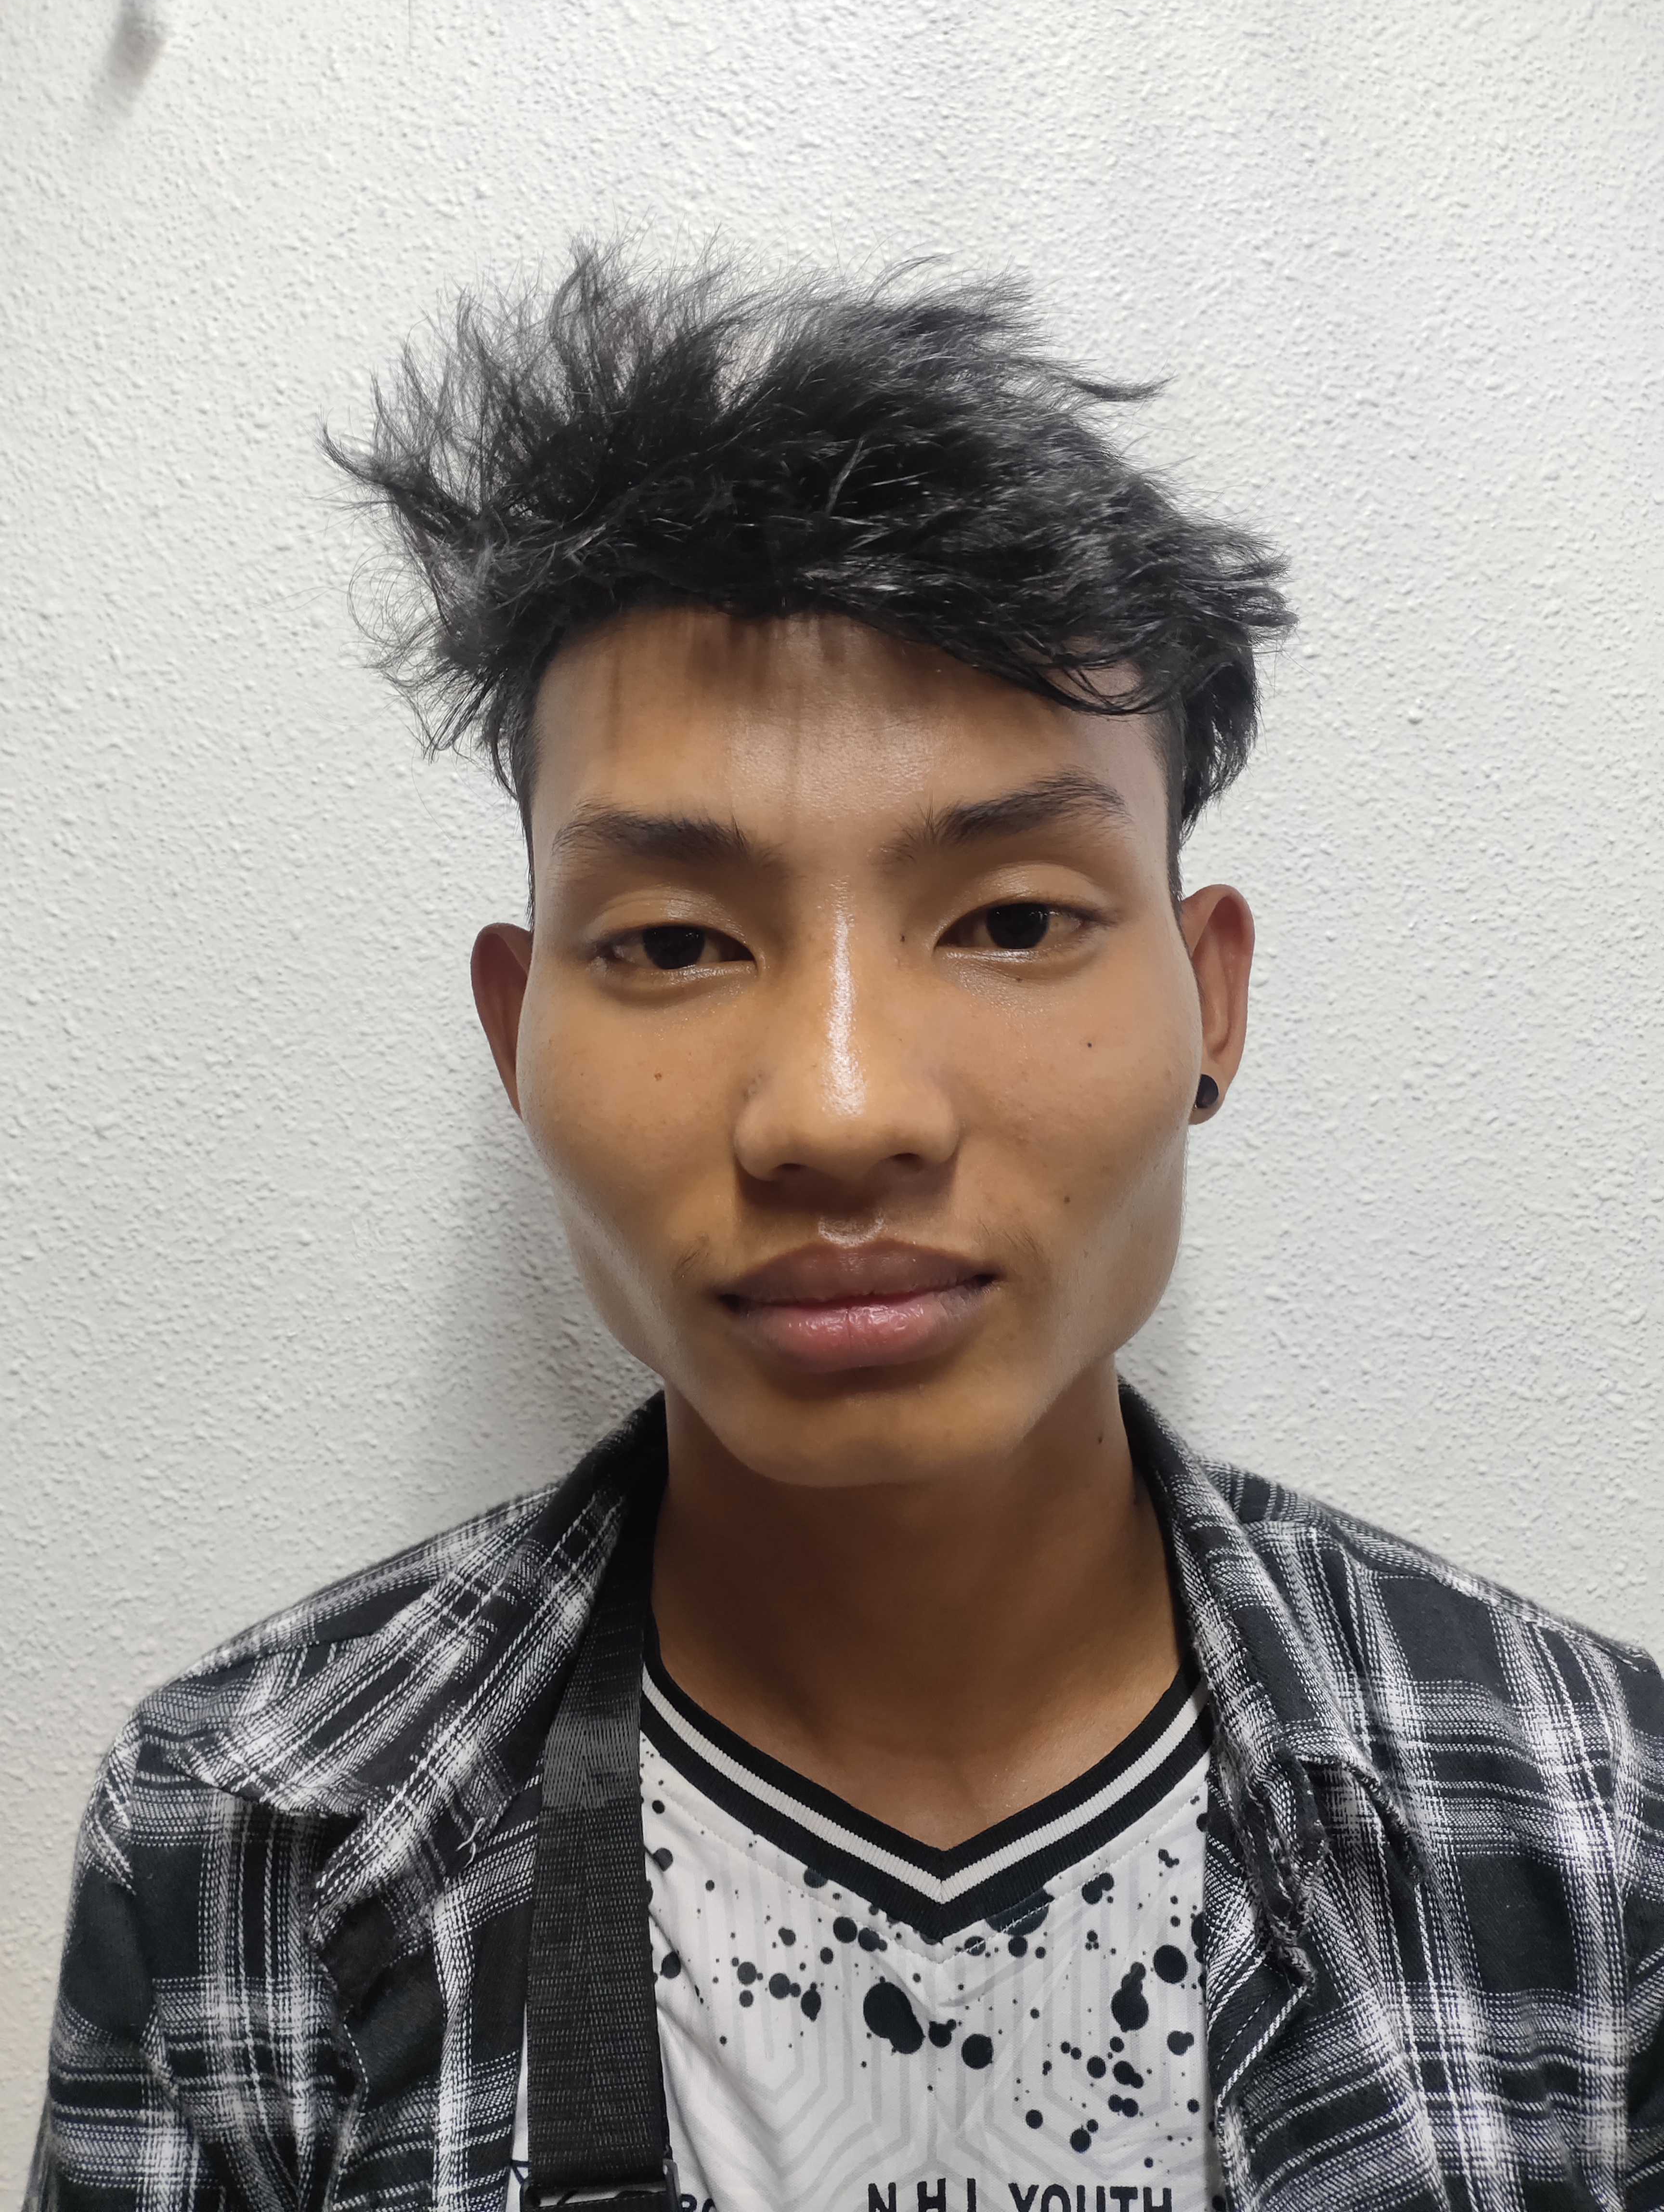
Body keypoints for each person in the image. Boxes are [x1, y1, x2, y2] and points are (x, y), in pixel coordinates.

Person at [27, 245, 1664, 2212]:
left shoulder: (1595, 1814)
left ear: (1212, 1000)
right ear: (517, 1033)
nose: (837, 1110)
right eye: (674, 943)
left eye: (1013, 919)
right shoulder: (251, 1833)